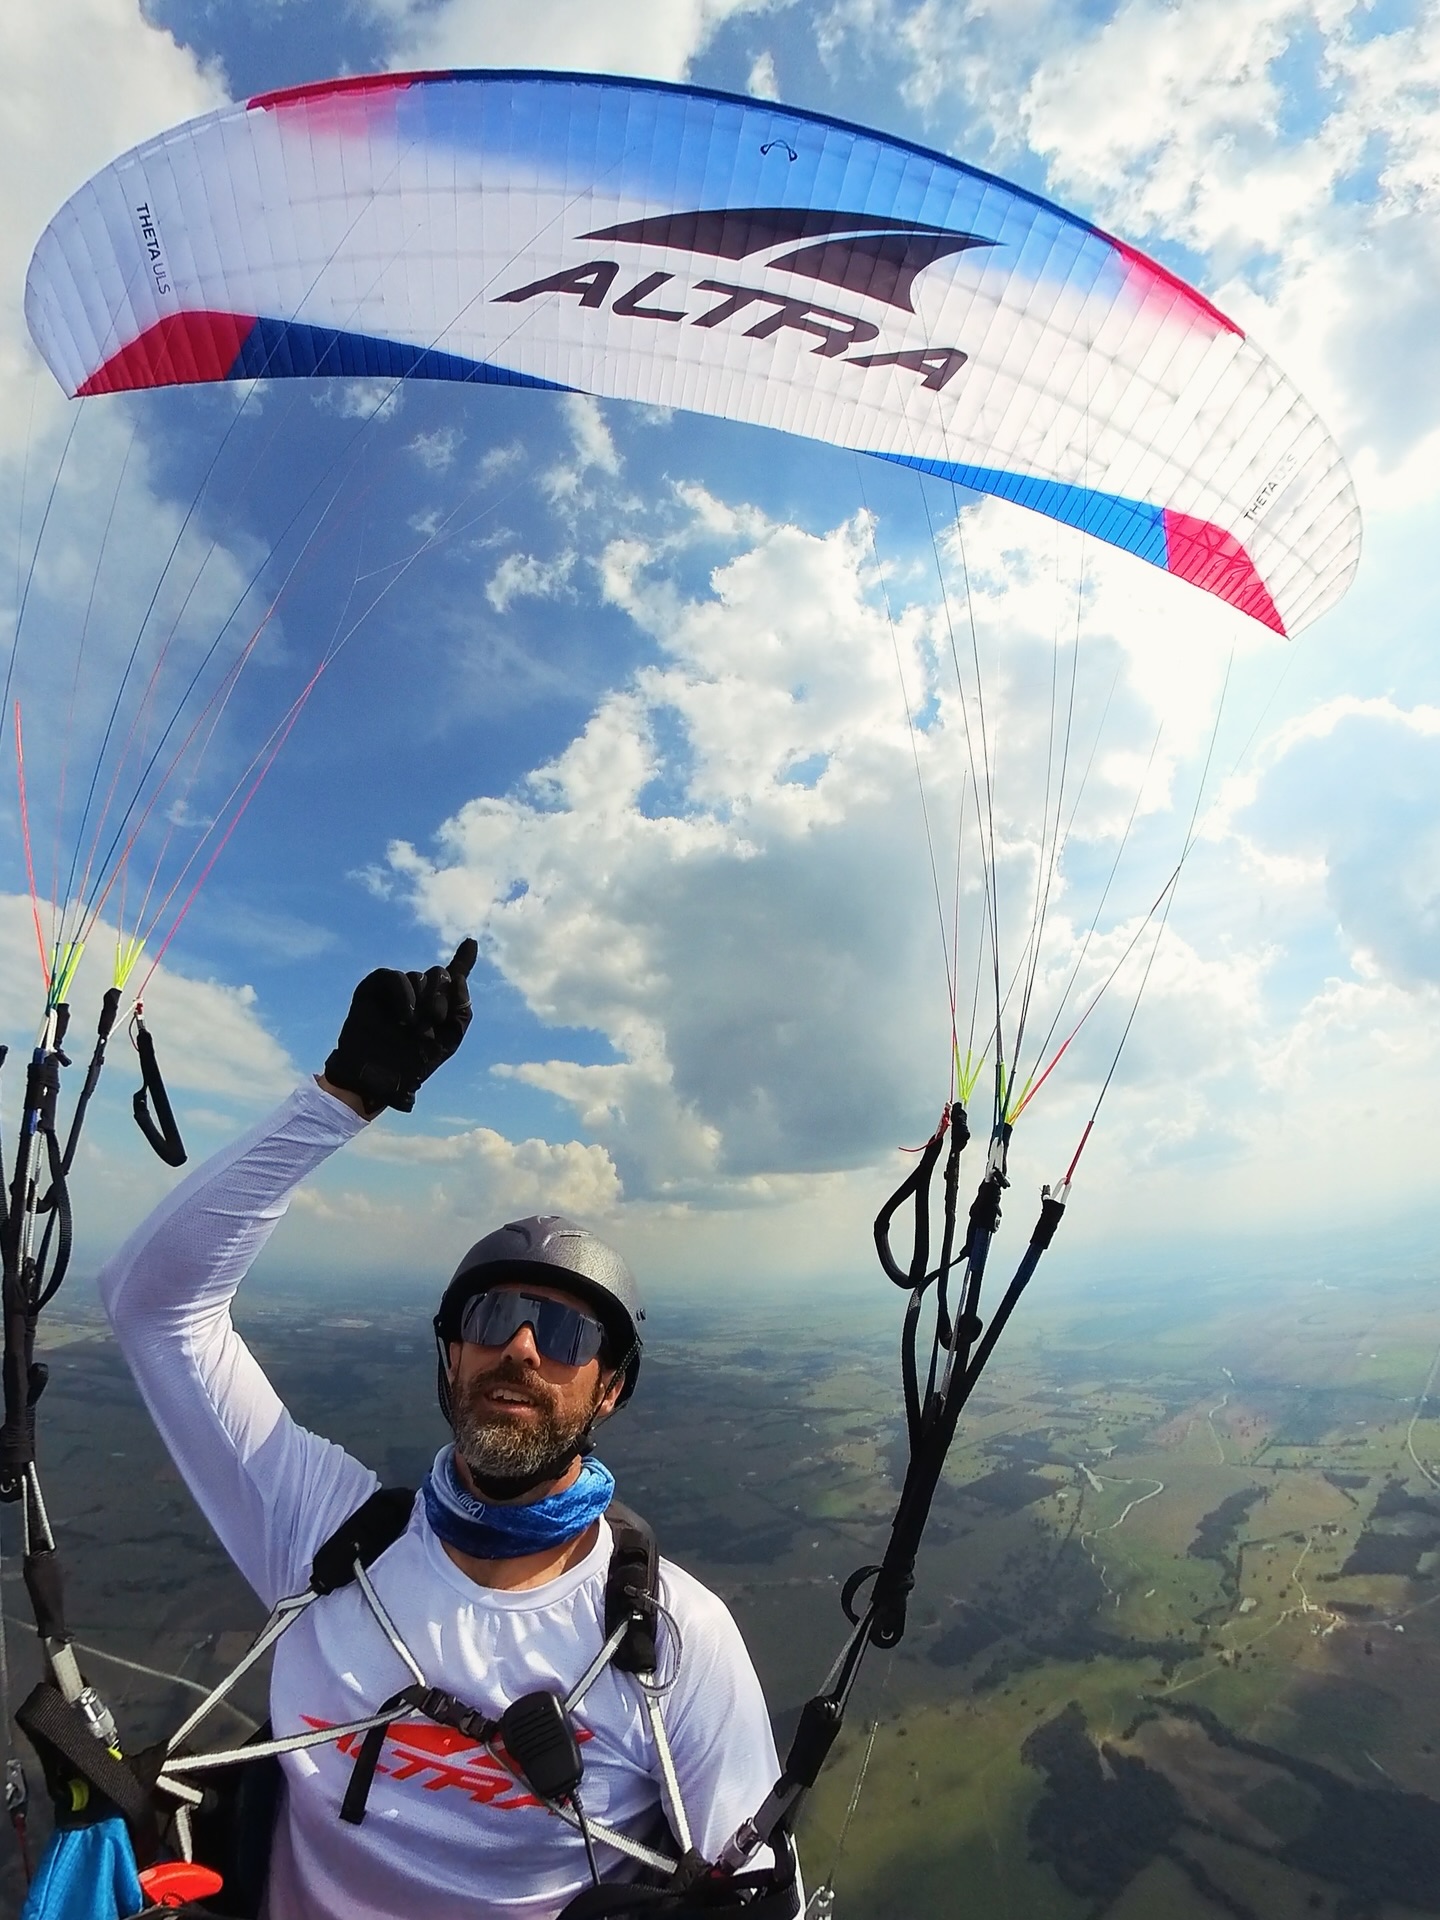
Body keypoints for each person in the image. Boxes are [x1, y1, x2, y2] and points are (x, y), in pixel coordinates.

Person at [98, 946, 786, 1920]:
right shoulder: (324, 1538)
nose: (517, 1346)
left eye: (562, 1331)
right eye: (489, 1316)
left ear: (610, 1390)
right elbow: (152, 1304)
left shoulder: (672, 1641)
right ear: (447, 1358)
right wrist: (343, 1095)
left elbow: (758, 1891)